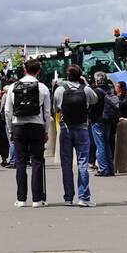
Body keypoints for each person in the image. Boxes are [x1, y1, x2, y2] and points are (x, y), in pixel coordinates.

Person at [3, 58, 51, 207]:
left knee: (20, 162)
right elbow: (47, 111)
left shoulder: (13, 87)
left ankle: (21, 198)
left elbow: (7, 111)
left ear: (24, 70)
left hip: (19, 126)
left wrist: (10, 129)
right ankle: (37, 199)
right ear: (38, 71)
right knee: (37, 161)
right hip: (36, 125)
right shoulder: (42, 87)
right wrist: (46, 130)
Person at [54, 64, 94, 206]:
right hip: (82, 128)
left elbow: (56, 108)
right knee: (83, 163)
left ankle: (68, 198)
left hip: (66, 129)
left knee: (66, 164)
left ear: (67, 75)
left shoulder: (60, 90)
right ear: (80, 76)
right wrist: (86, 83)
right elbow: (95, 100)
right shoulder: (86, 89)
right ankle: (83, 197)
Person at [89, 71, 115, 177]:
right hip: (108, 120)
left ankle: (103, 169)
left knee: (100, 145)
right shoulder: (110, 90)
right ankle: (110, 168)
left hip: (98, 120)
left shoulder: (96, 92)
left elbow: (91, 106)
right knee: (107, 144)